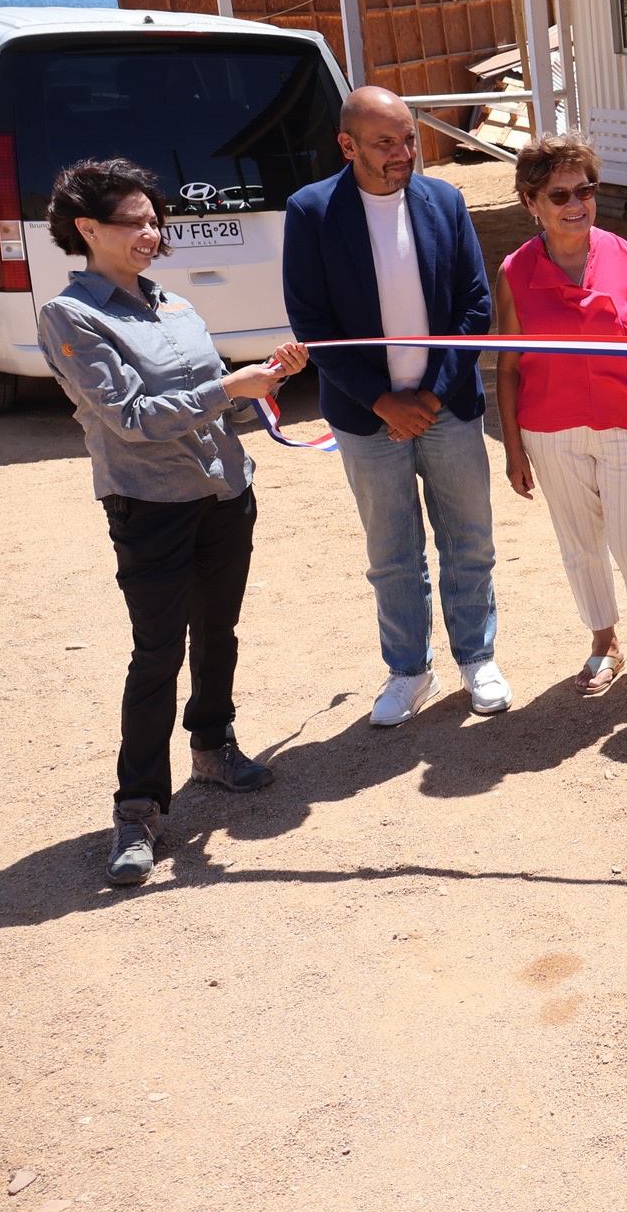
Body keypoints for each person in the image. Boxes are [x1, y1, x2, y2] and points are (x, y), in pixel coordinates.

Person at [36, 158, 309, 886]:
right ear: (87, 229)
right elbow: (130, 419)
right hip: (150, 507)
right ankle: (138, 809)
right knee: (157, 651)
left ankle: (213, 746)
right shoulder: (72, 316)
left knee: (217, 629)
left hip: (224, 495)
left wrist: (270, 381)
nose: (152, 233)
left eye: (156, 220)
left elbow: (220, 395)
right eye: (135, 221)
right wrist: (229, 384)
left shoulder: (175, 308)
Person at [284, 86, 509, 728]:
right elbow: (313, 323)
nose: (403, 152)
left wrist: (431, 394)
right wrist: (383, 401)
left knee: (470, 540)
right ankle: (409, 670)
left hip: (450, 408)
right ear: (347, 144)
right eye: (385, 142)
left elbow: (474, 309)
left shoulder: (445, 200)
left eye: (408, 137)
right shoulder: (311, 212)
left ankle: (476, 659)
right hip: (366, 417)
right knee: (393, 552)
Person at [493, 135, 627, 694]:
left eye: (586, 190)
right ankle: (604, 640)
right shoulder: (514, 271)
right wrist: (513, 449)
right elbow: (507, 369)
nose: (577, 204)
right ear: (531, 202)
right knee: (580, 543)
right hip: (549, 430)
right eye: (560, 195)